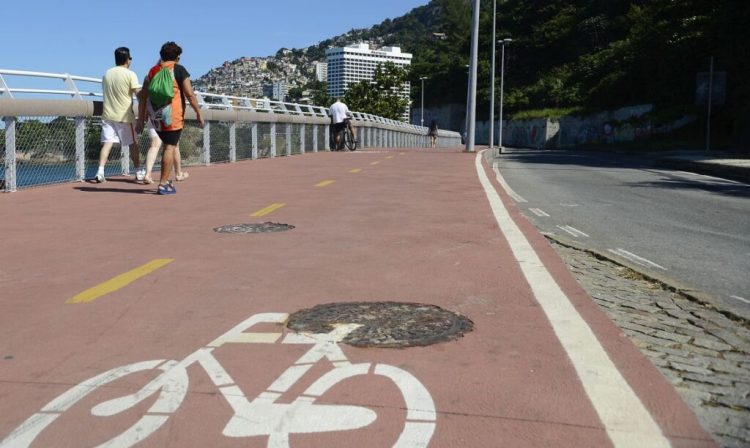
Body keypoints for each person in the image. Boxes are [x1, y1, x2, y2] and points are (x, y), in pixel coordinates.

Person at [136, 42, 204, 195]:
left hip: (155, 117)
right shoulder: (179, 70)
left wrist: (140, 119)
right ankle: (163, 183)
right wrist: (198, 112)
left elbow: (143, 97)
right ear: (178, 57)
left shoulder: (152, 71)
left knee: (166, 145)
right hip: (172, 116)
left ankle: (164, 180)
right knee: (169, 147)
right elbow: (190, 94)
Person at [94, 47, 144, 183]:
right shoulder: (130, 74)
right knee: (133, 143)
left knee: (107, 143)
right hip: (124, 116)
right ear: (128, 59)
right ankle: (139, 171)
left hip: (107, 115)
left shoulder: (107, 74)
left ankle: (100, 171)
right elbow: (138, 94)